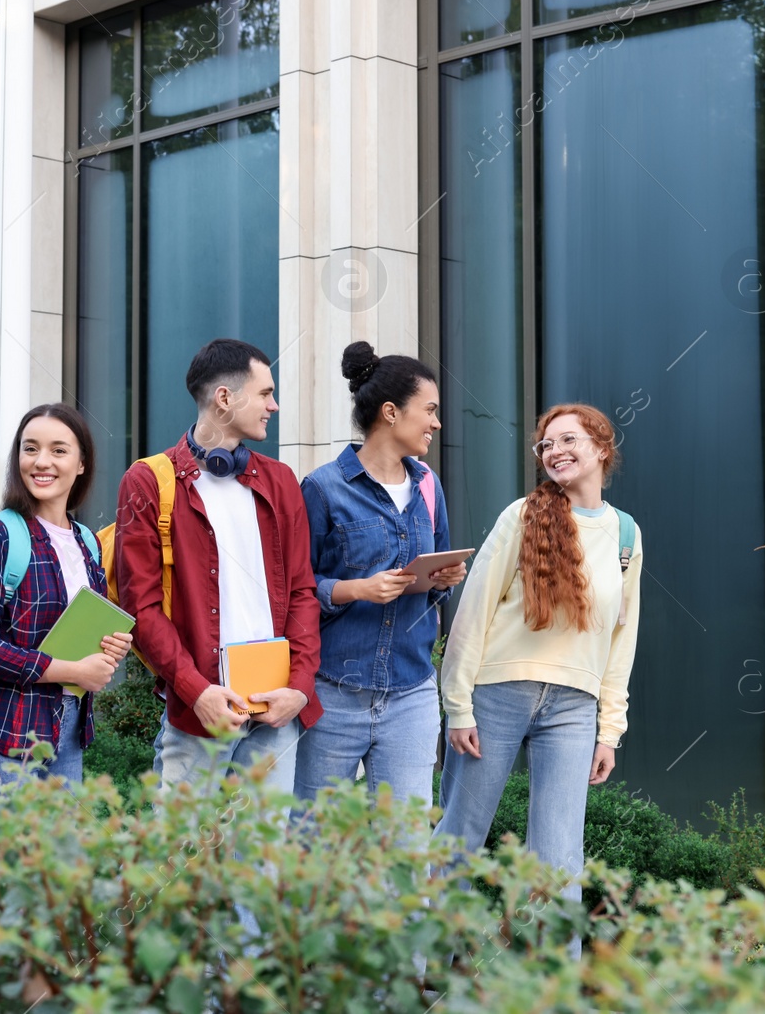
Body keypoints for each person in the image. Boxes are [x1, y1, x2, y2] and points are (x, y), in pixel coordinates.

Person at [435, 403, 643, 913]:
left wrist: (609, 731)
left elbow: (623, 641)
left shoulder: (626, 536)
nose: (555, 452)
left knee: (558, 859)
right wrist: (458, 704)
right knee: (460, 838)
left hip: (574, 708)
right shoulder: (523, 515)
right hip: (496, 697)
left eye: (569, 440)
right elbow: (474, 610)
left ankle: (554, 987)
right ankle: (423, 973)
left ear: (601, 447)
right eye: (546, 445)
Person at [114, 338, 322, 796]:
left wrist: (300, 687)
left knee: (263, 866)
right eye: (265, 393)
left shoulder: (280, 480)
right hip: (199, 713)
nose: (275, 405)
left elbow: (302, 592)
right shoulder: (148, 481)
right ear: (225, 398)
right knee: (180, 864)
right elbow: (142, 608)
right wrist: (196, 690)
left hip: (275, 711)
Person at [295, 343, 466, 808]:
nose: (436, 422)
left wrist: (443, 580)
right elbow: (295, 591)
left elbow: (433, 593)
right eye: (428, 410)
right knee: (314, 840)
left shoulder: (429, 486)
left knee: (405, 853)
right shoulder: (322, 488)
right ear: (391, 412)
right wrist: (356, 590)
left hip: (411, 694)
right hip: (333, 693)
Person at [0, 404, 135, 790]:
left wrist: (110, 646)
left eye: (58, 450)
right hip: (6, 731)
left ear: (81, 464)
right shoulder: (0, 534)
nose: (42, 462)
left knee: (59, 851)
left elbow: (87, 627)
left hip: (69, 726)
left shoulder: (88, 541)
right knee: (4, 850)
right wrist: (73, 671)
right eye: (30, 449)